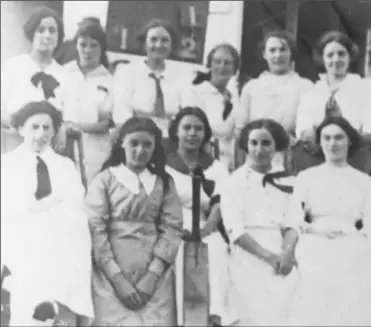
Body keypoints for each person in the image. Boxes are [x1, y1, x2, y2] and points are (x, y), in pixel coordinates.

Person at [1, 101, 94, 326]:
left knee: (74, 229)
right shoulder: (7, 164)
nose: (41, 134)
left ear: (54, 131)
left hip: (60, 241)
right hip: (20, 239)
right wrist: (50, 204)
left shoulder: (65, 166)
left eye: (47, 127)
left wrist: (45, 209)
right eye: (34, 127)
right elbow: (10, 208)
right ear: (21, 129)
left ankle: (55, 308)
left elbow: (75, 204)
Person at [85, 117, 183, 326]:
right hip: (110, 274)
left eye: (147, 144)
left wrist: (152, 276)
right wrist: (118, 279)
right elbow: (96, 229)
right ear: (121, 143)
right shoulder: (104, 179)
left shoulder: (164, 182)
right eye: (134, 143)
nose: (140, 150)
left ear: (156, 146)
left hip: (155, 276)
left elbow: (172, 228)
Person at [286, 116, 371, 326]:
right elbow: (294, 216)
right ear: (320, 142)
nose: (333, 143)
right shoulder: (306, 177)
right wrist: (312, 231)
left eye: (339, 138)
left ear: (349, 141)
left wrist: (359, 238)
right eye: (327, 138)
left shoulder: (364, 180)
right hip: (314, 241)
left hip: (353, 242)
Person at [220, 119, 300, 326]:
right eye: (253, 143)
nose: (259, 149)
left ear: (276, 147)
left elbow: (293, 222)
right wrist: (269, 257)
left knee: (287, 303)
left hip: (282, 247)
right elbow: (235, 230)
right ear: (246, 145)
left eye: (266, 143)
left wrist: (287, 253)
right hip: (248, 251)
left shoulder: (289, 180)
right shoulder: (234, 182)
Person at [166, 107, 238, 327]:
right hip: (172, 226)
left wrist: (204, 230)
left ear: (206, 134)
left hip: (205, 225)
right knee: (176, 253)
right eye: (186, 127)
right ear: (176, 132)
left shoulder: (216, 167)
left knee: (214, 250)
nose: (192, 133)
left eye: (198, 128)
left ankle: (213, 318)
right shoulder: (164, 164)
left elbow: (219, 203)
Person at [294, 31, 371, 173]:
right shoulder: (312, 93)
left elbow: (368, 130)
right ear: (322, 58)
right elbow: (303, 132)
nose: (336, 59)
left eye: (341, 54)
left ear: (350, 57)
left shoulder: (365, 88)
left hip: (355, 159)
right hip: (317, 159)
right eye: (330, 55)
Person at [239, 30, 313, 167]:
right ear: (264, 54)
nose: (278, 55)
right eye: (272, 50)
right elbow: (241, 129)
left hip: (290, 157)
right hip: (255, 157)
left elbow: (307, 130)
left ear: (291, 53)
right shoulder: (251, 87)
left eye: (283, 49)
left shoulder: (305, 86)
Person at [112, 19, 190, 142]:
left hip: (172, 139)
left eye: (165, 40)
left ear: (171, 45)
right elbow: (121, 111)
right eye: (153, 40)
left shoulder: (181, 76)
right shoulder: (126, 72)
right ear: (144, 44)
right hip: (136, 138)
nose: (159, 45)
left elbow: (188, 111)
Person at [1, 6, 66, 153]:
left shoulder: (64, 74)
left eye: (52, 30)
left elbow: (65, 116)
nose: (47, 35)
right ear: (32, 33)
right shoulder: (12, 67)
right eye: (41, 30)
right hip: (13, 142)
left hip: (48, 147)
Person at [60, 18, 114, 184]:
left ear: (102, 48)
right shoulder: (63, 73)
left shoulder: (109, 81)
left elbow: (108, 121)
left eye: (94, 45)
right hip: (62, 143)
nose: (87, 50)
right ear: (76, 45)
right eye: (83, 44)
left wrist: (80, 127)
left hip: (94, 150)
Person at [186, 43, 242, 170]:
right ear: (210, 65)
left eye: (228, 63)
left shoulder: (235, 99)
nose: (222, 66)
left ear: (235, 69)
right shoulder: (196, 93)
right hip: (203, 162)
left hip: (228, 164)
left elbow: (237, 137)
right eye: (217, 61)